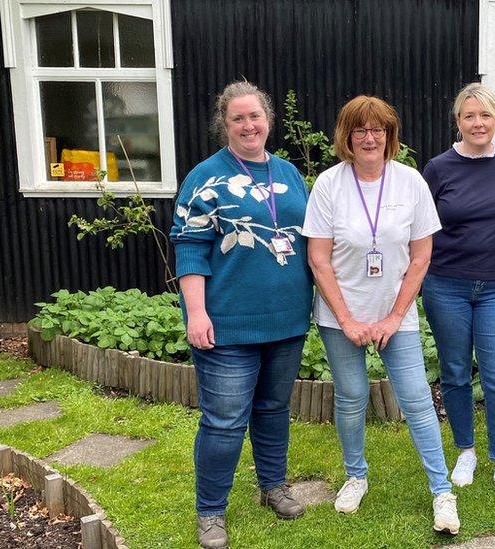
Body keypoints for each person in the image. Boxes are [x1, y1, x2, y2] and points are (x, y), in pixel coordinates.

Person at [303, 95, 460, 534]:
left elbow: (421, 257)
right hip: (340, 317)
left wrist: (393, 316)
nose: (369, 138)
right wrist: (348, 320)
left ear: (390, 136)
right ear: (347, 136)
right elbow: (318, 259)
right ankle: (356, 475)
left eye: (378, 130)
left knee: (415, 399)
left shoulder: (410, 182)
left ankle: (442, 491)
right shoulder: (329, 185)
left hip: (398, 315)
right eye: (360, 130)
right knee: (351, 397)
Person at [170, 81, 312, 549]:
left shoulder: (289, 174)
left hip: (287, 321)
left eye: (255, 116)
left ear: (267, 119)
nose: (249, 125)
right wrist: (196, 313)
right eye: (238, 119)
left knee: (272, 409)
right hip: (227, 323)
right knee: (225, 421)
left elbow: (312, 240)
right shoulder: (205, 177)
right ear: (225, 125)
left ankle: (272, 486)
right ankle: (211, 512)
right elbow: (189, 247)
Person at [421, 83, 495, 501]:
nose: (477, 123)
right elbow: (422, 225)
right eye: (469, 116)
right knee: (454, 372)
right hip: (446, 284)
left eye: (484, 115)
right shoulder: (439, 167)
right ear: (458, 122)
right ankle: (465, 450)